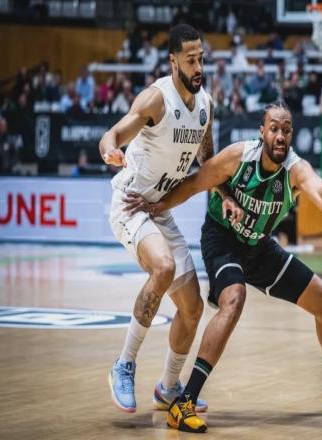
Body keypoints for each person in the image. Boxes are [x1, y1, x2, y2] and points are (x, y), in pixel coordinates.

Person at [141, 102, 322, 433]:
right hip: (222, 240)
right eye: (274, 128)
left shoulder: (295, 169)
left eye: (286, 130)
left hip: (259, 246)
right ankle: (184, 401)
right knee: (234, 298)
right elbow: (195, 183)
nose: (280, 135)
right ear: (262, 132)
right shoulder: (239, 156)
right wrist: (156, 206)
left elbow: (319, 190)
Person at [99, 24, 240, 416]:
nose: (199, 67)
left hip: (159, 210)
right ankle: (124, 363)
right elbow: (113, 134)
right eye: (190, 60)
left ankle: (169, 386)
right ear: (173, 61)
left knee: (193, 308)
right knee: (162, 268)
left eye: (201, 59)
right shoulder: (156, 99)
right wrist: (110, 150)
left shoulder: (206, 106)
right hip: (131, 204)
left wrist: (226, 196)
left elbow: (207, 165)